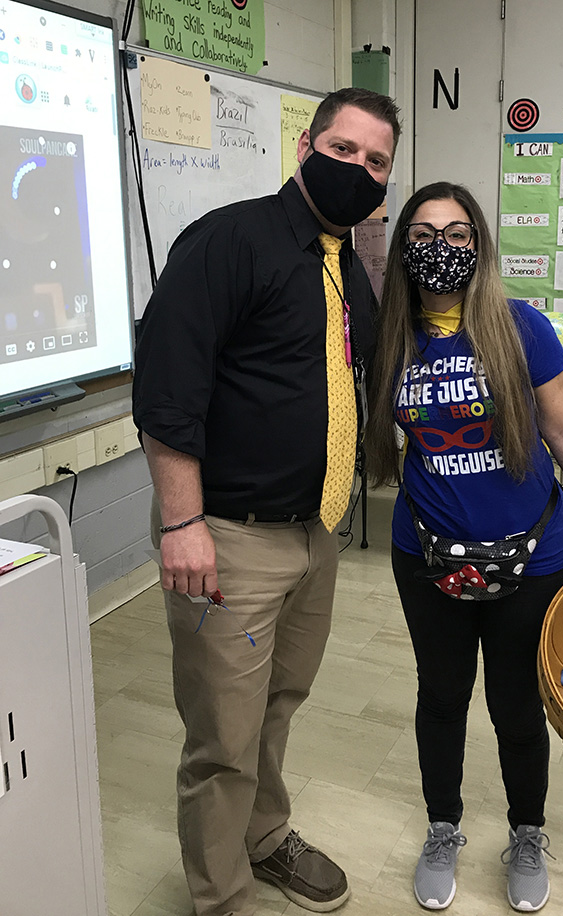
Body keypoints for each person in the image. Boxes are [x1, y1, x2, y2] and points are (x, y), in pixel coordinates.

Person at [132, 87, 401, 916]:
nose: (359, 169)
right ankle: (222, 898)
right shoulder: (226, 242)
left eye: (377, 161)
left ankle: (265, 833)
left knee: (277, 705)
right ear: (305, 148)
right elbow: (168, 388)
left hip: (315, 532)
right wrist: (181, 524)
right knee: (222, 740)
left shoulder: (345, 260)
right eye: (345, 150)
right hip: (228, 537)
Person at [365, 182, 563, 912]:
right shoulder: (390, 335)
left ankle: (527, 832)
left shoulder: (521, 327)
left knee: (516, 705)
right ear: (403, 246)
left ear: (477, 244)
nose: (438, 248)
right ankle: (442, 828)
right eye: (421, 234)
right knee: (443, 696)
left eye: (455, 234)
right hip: (425, 554)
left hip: (533, 555)